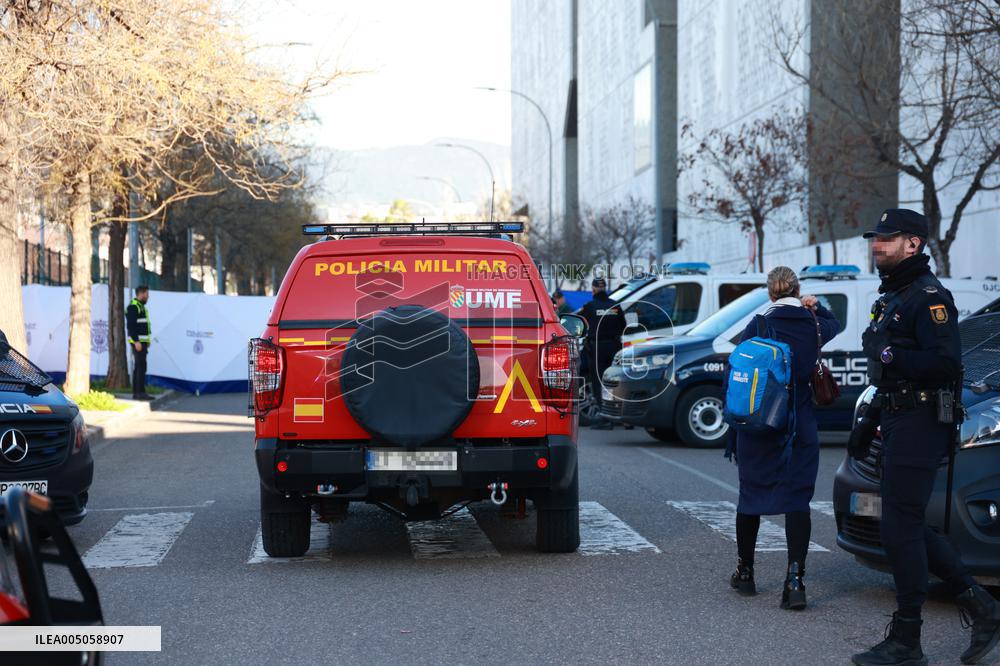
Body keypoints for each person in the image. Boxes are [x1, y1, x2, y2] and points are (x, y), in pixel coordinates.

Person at [850, 209, 999, 666]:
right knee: (904, 524)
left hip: (921, 420)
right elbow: (887, 371)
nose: (877, 245)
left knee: (900, 525)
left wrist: (888, 351)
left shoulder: (929, 296)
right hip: (895, 417)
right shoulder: (894, 295)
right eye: (876, 238)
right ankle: (981, 606)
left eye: (887, 239)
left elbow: (944, 364)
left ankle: (909, 640)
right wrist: (868, 420)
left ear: (912, 244)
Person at [727, 266, 839, 610]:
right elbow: (834, 324)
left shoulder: (759, 323)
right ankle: (795, 581)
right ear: (797, 289)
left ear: (769, 292)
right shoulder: (813, 324)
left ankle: (746, 574)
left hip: (760, 424)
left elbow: (739, 360)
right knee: (797, 500)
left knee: (750, 496)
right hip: (798, 424)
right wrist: (815, 306)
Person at [578, 277, 626, 430]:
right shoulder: (615, 306)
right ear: (605, 288)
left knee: (598, 382)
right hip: (614, 347)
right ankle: (617, 415)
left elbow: (579, 323)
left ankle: (605, 418)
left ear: (593, 290)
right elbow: (623, 326)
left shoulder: (590, 306)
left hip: (597, 348)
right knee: (613, 381)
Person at [126, 285, 154, 401]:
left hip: (142, 343)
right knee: (139, 367)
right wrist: (136, 341)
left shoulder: (140, 306)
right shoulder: (134, 306)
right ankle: (139, 393)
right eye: (147, 294)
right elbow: (131, 325)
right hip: (138, 343)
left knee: (141, 367)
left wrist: (145, 341)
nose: (148, 297)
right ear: (141, 294)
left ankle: (140, 392)